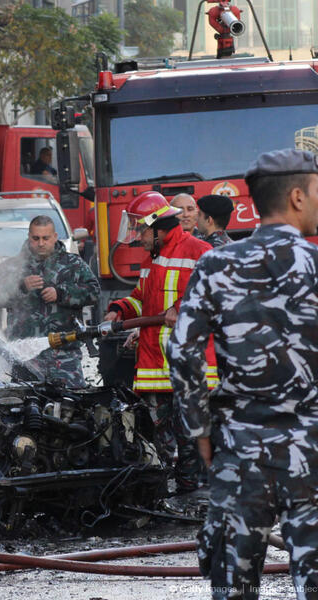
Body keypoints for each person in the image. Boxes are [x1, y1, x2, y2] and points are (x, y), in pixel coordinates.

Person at [168, 149, 318, 600]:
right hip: (312, 449)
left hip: (240, 449)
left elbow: (182, 351)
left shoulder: (216, 265)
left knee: (234, 585)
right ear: (296, 196)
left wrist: (201, 431)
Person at [104, 191, 218, 493]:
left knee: (191, 438)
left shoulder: (200, 251)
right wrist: (119, 310)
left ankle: (191, 500)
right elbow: (143, 301)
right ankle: (169, 493)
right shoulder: (150, 260)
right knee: (161, 439)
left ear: (159, 227)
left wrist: (181, 310)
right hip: (156, 368)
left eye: (142, 229)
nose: (139, 237)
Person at [0, 215, 99, 387]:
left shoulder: (73, 264)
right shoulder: (11, 267)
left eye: (46, 238)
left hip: (64, 356)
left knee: (72, 406)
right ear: (29, 237)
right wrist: (21, 287)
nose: (41, 243)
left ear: (55, 237)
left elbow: (94, 292)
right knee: (26, 408)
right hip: (25, 356)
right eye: (36, 238)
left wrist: (61, 294)